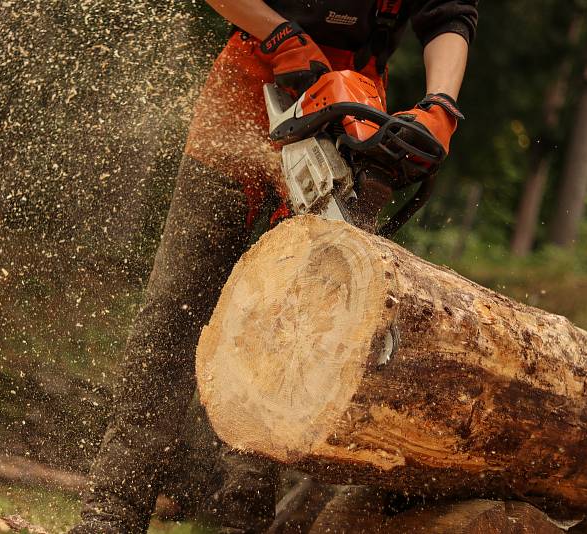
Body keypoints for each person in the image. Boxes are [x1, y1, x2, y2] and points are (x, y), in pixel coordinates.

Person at [72, 1, 478, 532]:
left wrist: (441, 105)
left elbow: (449, 13)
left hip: (353, 102)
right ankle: (113, 511)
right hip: (250, 78)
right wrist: (280, 34)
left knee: (291, 338)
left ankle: (241, 518)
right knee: (173, 319)